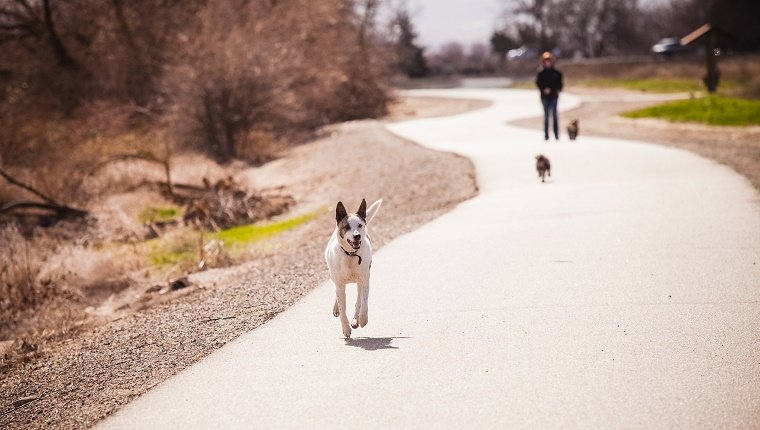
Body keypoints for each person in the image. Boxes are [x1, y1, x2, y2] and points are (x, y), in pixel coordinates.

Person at [535, 51, 563, 141]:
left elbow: (560, 84)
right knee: (546, 115)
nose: (548, 63)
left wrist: (557, 90)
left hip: (554, 96)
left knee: (554, 115)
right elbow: (538, 83)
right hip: (544, 97)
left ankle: (556, 134)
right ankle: (546, 135)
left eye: (549, 61)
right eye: (546, 61)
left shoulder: (557, 73)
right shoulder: (541, 73)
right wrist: (544, 89)